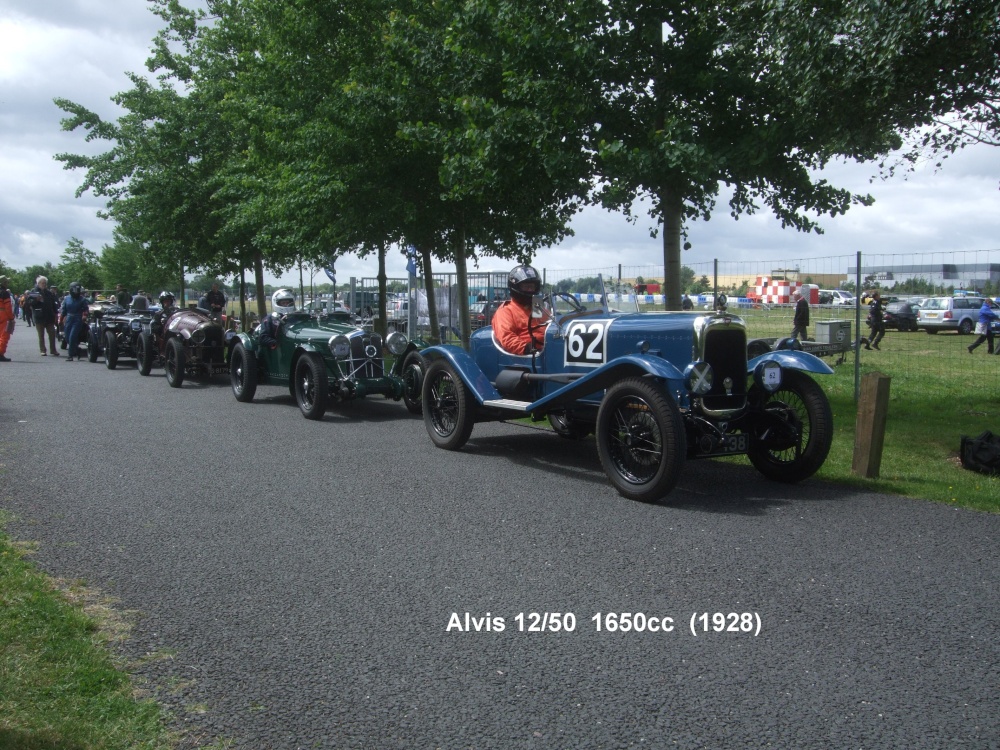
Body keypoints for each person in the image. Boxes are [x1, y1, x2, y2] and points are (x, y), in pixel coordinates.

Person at [491, 264, 550, 355]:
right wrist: (527, 348)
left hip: (548, 349)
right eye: (526, 287)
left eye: (532, 287)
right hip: (528, 357)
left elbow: (551, 324)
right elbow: (507, 337)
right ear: (515, 287)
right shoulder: (506, 311)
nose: (530, 290)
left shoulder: (536, 305)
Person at [28, 276, 59, 356]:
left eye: (45, 283)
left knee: (52, 333)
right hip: (39, 316)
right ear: (38, 283)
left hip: (49, 316)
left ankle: (53, 350)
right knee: (41, 335)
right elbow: (30, 303)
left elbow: (53, 304)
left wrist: (56, 313)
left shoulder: (49, 293)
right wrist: (36, 300)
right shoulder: (34, 292)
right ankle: (43, 350)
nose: (44, 284)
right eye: (42, 283)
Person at [59, 282, 89, 361]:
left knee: (72, 336)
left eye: (77, 289)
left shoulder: (82, 299)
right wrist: (60, 320)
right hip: (69, 318)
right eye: (75, 289)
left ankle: (70, 355)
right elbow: (64, 310)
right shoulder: (67, 298)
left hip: (77, 318)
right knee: (67, 337)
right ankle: (77, 349)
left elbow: (86, 309)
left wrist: (84, 315)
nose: (76, 291)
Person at [0, 275, 14, 362]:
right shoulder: (4, 293)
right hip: (3, 314)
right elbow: (8, 307)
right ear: (4, 283)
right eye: (7, 282)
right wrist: (11, 318)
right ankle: (0, 353)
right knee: (4, 335)